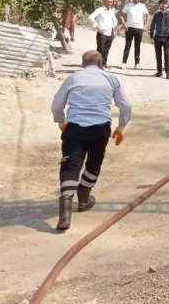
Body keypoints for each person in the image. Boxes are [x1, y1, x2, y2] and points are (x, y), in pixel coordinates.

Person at [50, 49, 132, 232]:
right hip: (99, 130)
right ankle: (84, 198)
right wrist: (121, 128)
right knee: (94, 164)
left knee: (70, 166)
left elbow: (57, 104)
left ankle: (65, 214)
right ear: (101, 63)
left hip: (75, 129)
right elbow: (126, 105)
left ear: (82, 64)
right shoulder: (111, 79)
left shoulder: (73, 78)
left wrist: (60, 121)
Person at [149, 0, 169, 79]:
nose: (163, 5)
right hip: (157, 38)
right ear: (159, 5)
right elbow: (152, 25)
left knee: (167, 55)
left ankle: (168, 73)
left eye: (165, 4)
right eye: (161, 4)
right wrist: (151, 35)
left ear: (167, 5)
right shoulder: (156, 15)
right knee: (158, 55)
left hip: (167, 38)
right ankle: (159, 72)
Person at [120, 0, 150, 69]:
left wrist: (146, 25)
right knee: (127, 46)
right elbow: (121, 15)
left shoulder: (142, 6)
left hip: (139, 28)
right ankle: (124, 62)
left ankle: (137, 64)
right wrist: (124, 23)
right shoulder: (128, 5)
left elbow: (147, 15)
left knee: (137, 47)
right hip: (129, 28)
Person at [88, 0, 119, 67]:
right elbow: (91, 17)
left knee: (107, 49)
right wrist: (97, 27)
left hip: (110, 32)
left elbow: (114, 20)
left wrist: (115, 29)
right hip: (102, 33)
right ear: (104, 2)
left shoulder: (112, 10)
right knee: (100, 49)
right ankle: (98, 64)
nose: (110, 3)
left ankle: (104, 63)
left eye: (111, 2)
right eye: (108, 2)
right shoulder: (100, 10)